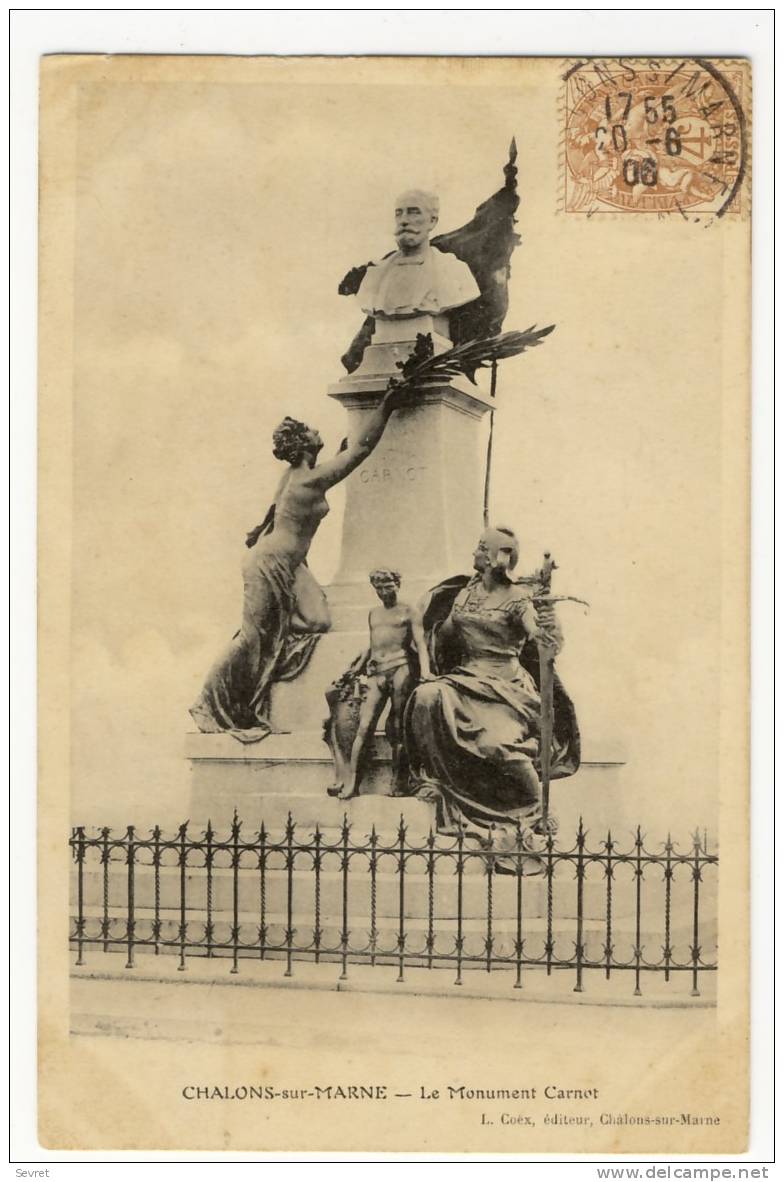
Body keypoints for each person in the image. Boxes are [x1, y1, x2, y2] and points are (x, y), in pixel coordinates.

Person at [190, 388, 406, 742]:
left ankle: (277, 620)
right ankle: (206, 703)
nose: (317, 431)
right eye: (311, 431)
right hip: (269, 563)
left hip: (291, 564)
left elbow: (276, 513)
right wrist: (388, 403)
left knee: (319, 621)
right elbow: (361, 450)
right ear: (303, 444)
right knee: (250, 639)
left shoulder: (300, 474)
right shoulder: (307, 479)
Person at [404, 526, 581, 856]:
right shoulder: (465, 593)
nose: (475, 552)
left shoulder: (518, 599)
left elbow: (541, 639)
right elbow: (444, 638)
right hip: (465, 679)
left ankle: (535, 808)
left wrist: (546, 626)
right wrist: (422, 627)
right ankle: (439, 781)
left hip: (506, 688)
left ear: (496, 558)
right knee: (427, 698)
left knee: (497, 745)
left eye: (481, 548)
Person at [326, 568, 432, 800]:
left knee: (397, 728)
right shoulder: (374, 614)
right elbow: (372, 644)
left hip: (400, 669)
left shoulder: (409, 611)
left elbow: (420, 643)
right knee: (364, 727)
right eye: (379, 588)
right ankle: (353, 783)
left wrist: (425, 671)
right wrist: (356, 667)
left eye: (388, 586)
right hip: (376, 672)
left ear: (397, 584)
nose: (384, 592)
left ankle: (399, 781)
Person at [356, 189, 480, 320]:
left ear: (432, 221)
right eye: (399, 214)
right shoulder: (374, 276)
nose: (403, 220)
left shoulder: (454, 271)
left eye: (413, 213)